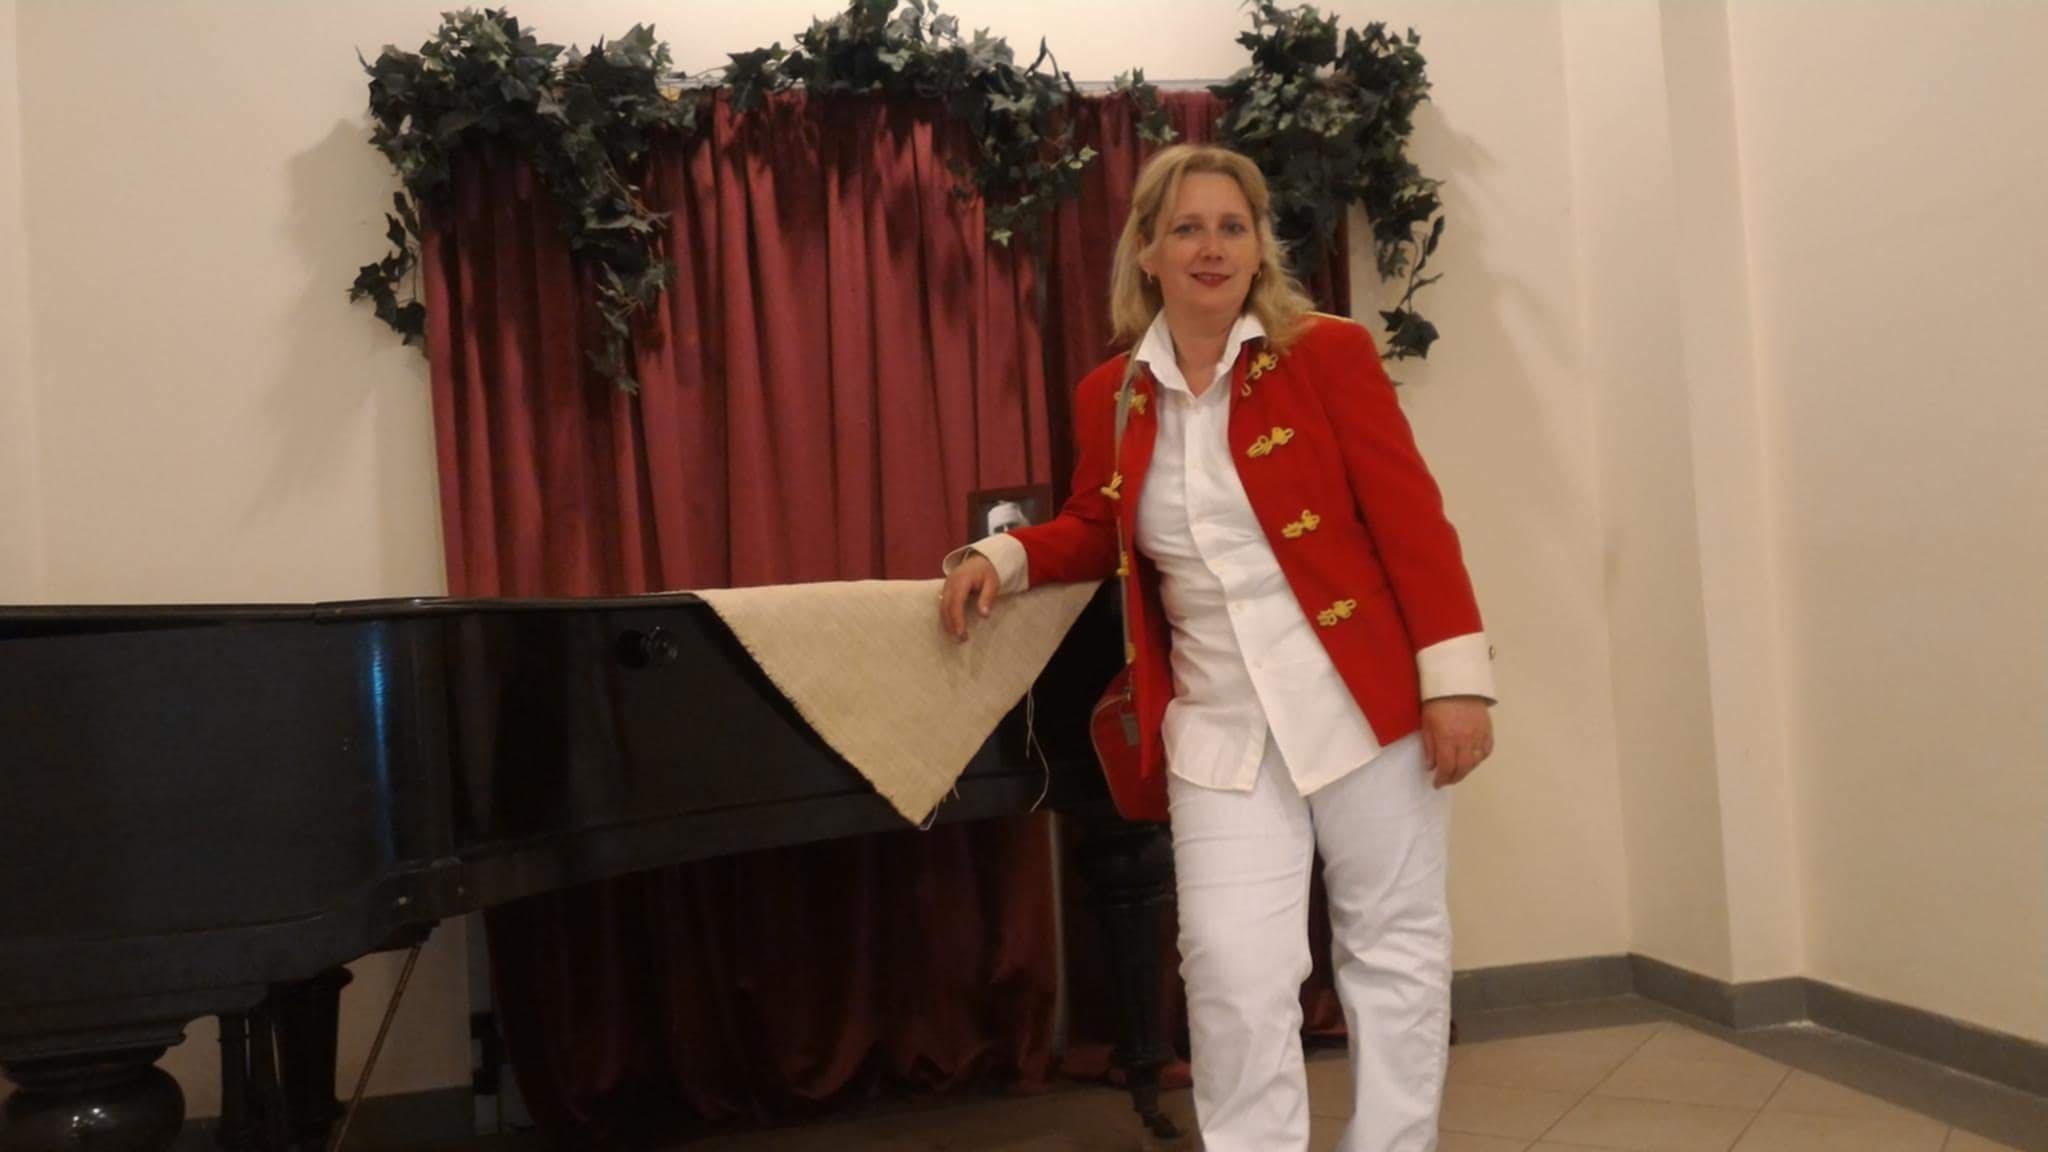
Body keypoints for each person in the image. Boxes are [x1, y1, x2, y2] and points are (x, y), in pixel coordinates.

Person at [938, 143, 1495, 1152]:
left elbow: (1412, 523)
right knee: (1232, 969)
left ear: (1258, 246)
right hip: (1217, 724)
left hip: (1363, 702)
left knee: (1393, 947)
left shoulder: (1326, 355)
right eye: (1186, 228)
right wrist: (1006, 555)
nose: (1211, 247)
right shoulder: (1109, 393)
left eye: (1232, 226)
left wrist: (1455, 682)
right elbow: (1096, 522)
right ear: (1147, 251)